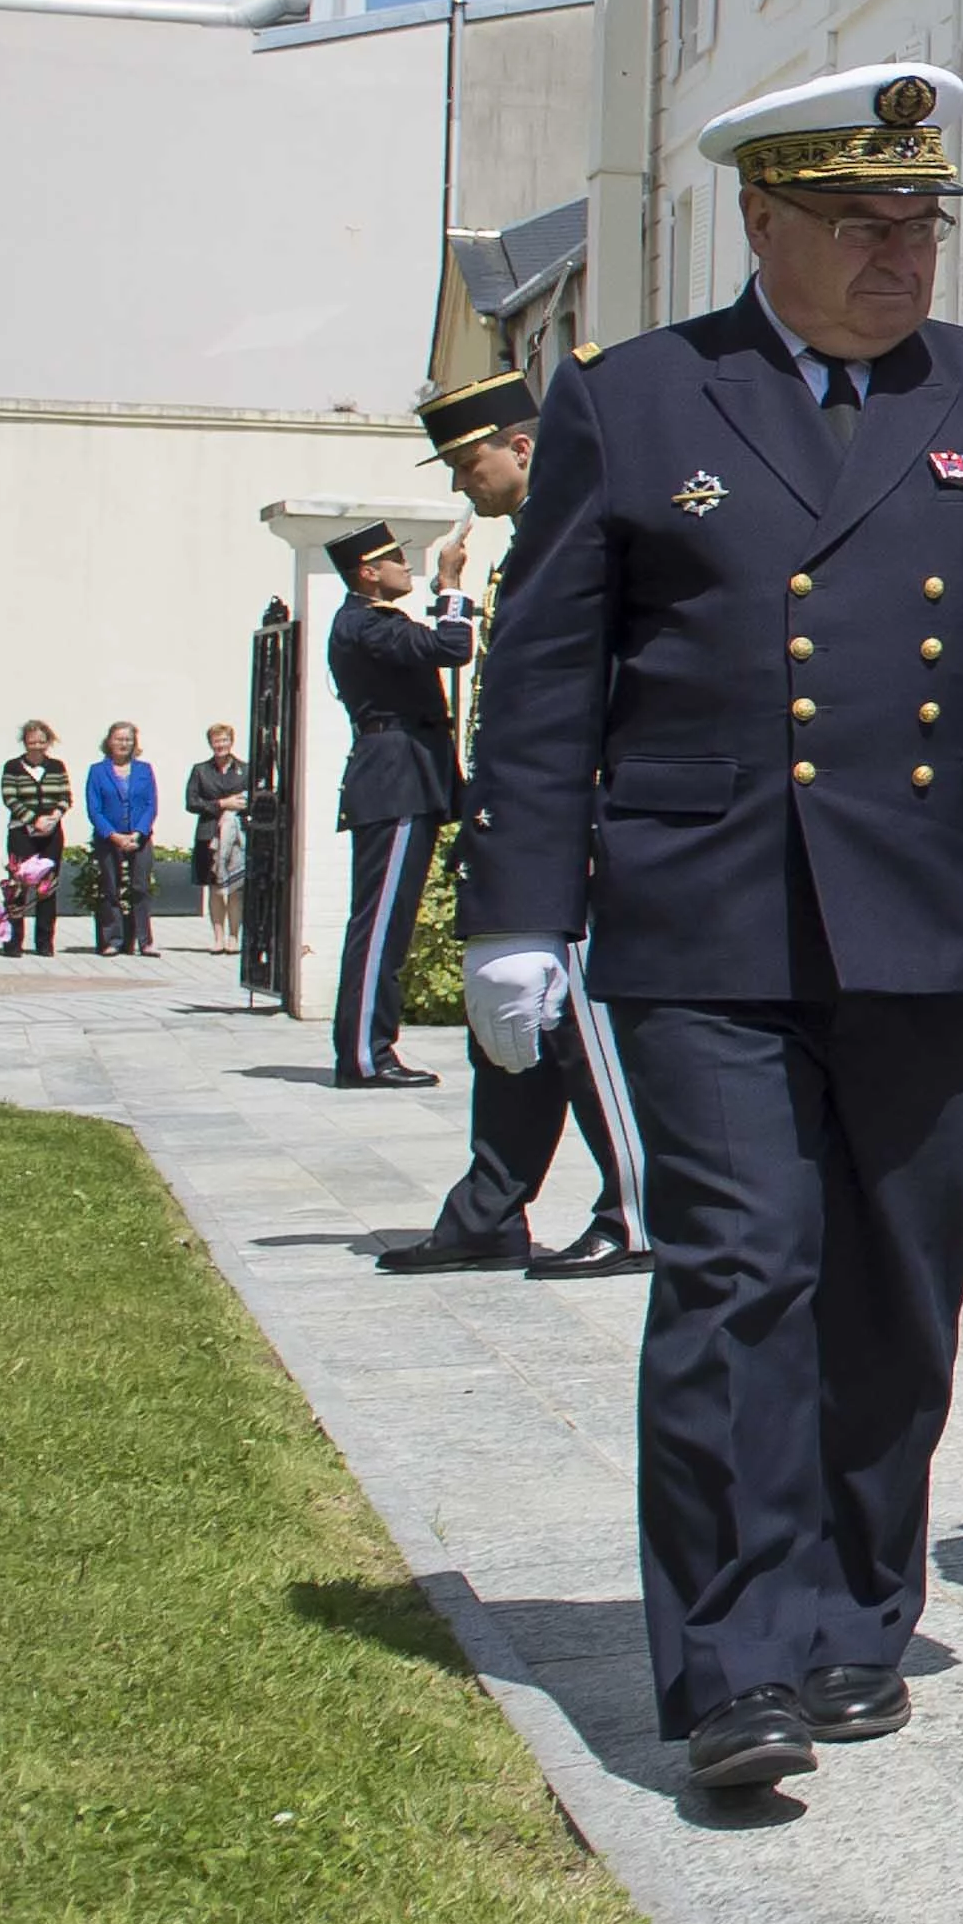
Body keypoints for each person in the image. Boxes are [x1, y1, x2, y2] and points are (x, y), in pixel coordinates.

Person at [454, 59, 963, 1800]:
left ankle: (859, 1602)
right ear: (758, 217)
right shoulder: (638, 400)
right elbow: (548, 676)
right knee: (738, 1265)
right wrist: (522, 905)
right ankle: (730, 1654)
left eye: (921, 221)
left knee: (897, 1279)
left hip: (933, 897)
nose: (899, 253)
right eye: (859, 220)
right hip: (712, 906)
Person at [380, 366, 648, 1278]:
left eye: (469, 461)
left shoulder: (582, 532)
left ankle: (639, 1207)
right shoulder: (530, 537)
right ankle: (490, 1208)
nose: (462, 483)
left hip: (573, 819)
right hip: (516, 813)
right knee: (507, 1027)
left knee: (577, 1021)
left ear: (523, 446)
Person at [321, 527, 472, 1086]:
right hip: (396, 777)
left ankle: (370, 1048)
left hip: (406, 772)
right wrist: (451, 588)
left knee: (389, 922)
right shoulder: (366, 623)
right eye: (394, 561)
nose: (405, 568)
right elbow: (454, 648)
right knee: (381, 923)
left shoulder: (370, 622)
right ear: (366, 572)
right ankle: (365, 1055)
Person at [82, 720, 164, 954]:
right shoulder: (97, 771)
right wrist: (114, 835)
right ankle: (113, 940)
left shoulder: (144, 769)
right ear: (109, 741)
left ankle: (144, 940)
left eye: (128, 739)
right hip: (109, 838)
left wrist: (139, 833)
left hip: (140, 837)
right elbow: (94, 808)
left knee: (141, 888)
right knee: (110, 888)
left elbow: (151, 804)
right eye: (119, 739)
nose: (123, 743)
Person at [0, 719, 72, 957]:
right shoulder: (12, 767)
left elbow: (65, 796)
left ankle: (45, 942)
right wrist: (32, 819)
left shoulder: (57, 766)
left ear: (48, 742)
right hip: (21, 833)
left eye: (41, 741)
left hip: (51, 834)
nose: (37, 746)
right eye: (32, 741)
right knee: (17, 887)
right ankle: (13, 941)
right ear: (25, 742)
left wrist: (53, 817)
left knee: (47, 888)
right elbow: (10, 797)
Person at [184, 720, 252, 954]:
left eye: (224, 740)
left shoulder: (246, 769)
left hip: (237, 837)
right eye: (216, 741)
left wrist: (236, 808)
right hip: (209, 835)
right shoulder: (200, 770)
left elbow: (254, 799)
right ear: (210, 743)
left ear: (231, 742)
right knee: (214, 888)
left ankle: (234, 937)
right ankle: (217, 937)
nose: (220, 745)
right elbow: (192, 803)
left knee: (235, 888)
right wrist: (221, 804)